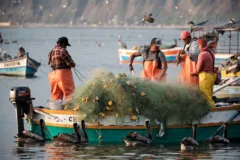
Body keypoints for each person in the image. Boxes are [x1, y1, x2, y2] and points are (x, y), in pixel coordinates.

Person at [48, 37, 76, 102]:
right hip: (63, 75)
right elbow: (71, 63)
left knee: (55, 95)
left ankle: (54, 109)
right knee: (70, 93)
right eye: (66, 45)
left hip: (53, 75)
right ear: (63, 44)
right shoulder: (63, 50)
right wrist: (73, 65)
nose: (66, 47)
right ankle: (70, 109)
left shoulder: (51, 51)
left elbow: (50, 63)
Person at [191, 38, 216, 107]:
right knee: (210, 95)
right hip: (212, 76)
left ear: (200, 46)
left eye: (198, 46)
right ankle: (213, 109)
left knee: (206, 96)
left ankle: (212, 111)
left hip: (205, 77)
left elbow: (198, 69)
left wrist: (192, 73)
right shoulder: (211, 53)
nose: (198, 48)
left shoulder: (202, 55)